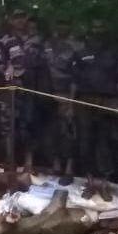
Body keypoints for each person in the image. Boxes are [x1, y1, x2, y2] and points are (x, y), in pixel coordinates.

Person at [72, 22, 118, 201]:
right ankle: (90, 183)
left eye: (100, 29)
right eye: (94, 30)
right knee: (85, 144)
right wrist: (71, 103)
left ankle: (104, 185)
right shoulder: (80, 54)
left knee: (105, 144)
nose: (97, 33)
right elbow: (74, 82)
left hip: (106, 102)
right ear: (89, 33)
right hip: (84, 102)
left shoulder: (113, 53)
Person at [0, 8, 46, 171]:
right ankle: (11, 161)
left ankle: (29, 163)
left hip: (32, 88)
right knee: (9, 126)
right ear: (10, 20)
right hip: (11, 88)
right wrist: (6, 69)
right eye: (16, 18)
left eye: (22, 17)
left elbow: (44, 64)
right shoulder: (5, 40)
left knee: (29, 125)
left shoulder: (37, 39)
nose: (19, 20)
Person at [41, 20, 82, 184]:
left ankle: (69, 169)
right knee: (52, 132)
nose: (61, 27)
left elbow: (76, 76)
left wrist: (70, 101)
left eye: (64, 24)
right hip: (48, 94)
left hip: (67, 95)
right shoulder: (48, 44)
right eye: (59, 24)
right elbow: (43, 69)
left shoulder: (76, 46)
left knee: (68, 133)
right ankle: (56, 164)